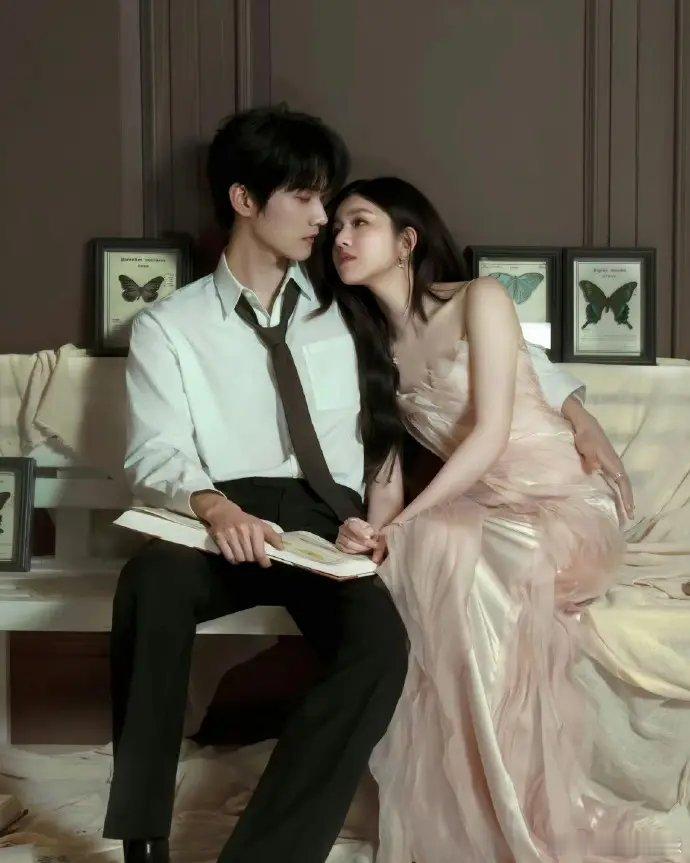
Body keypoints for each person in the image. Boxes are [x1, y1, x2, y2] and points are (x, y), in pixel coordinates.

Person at [102, 104, 633, 863]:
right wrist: (216, 508)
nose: (324, 219)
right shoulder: (169, 325)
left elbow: (474, 345)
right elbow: (155, 453)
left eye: (330, 201)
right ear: (245, 200)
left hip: (329, 521)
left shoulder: (345, 305)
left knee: (380, 646)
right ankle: (143, 841)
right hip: (225, 516)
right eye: (305, 198)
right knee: (149, 586)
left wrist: (576, 410)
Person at [317, 176, 672, 863]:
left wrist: (404, 525)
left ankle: (523, 808)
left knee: (441, 549)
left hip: (564, 504)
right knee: (423, 558)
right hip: (485, 508)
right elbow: (385, 467)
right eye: (335, 230)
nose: (341, 239)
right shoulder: (369, 347)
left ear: (406, 240)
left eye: (359, 223)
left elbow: (489, 433)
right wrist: (376, 529)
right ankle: (483, 801)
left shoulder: (480, 299)